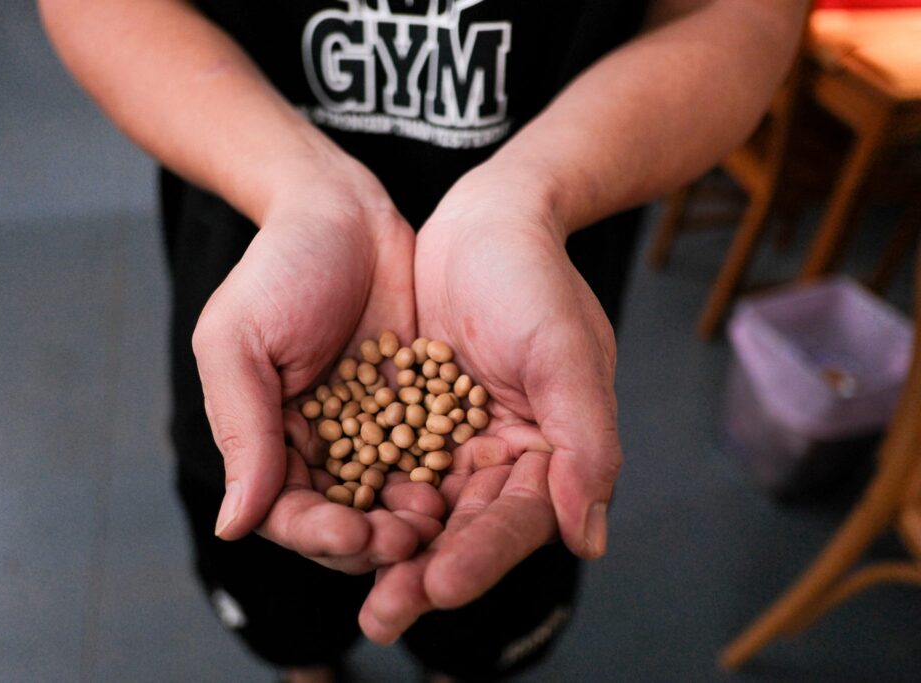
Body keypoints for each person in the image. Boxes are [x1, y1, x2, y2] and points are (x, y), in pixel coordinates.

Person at [40, 1, 807, 680]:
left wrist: (531, 193)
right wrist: (294, 183)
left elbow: (744, 13)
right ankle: (307, 665)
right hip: (269, 299)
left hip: (521, 329)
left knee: (478, 607)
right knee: (281, 592)